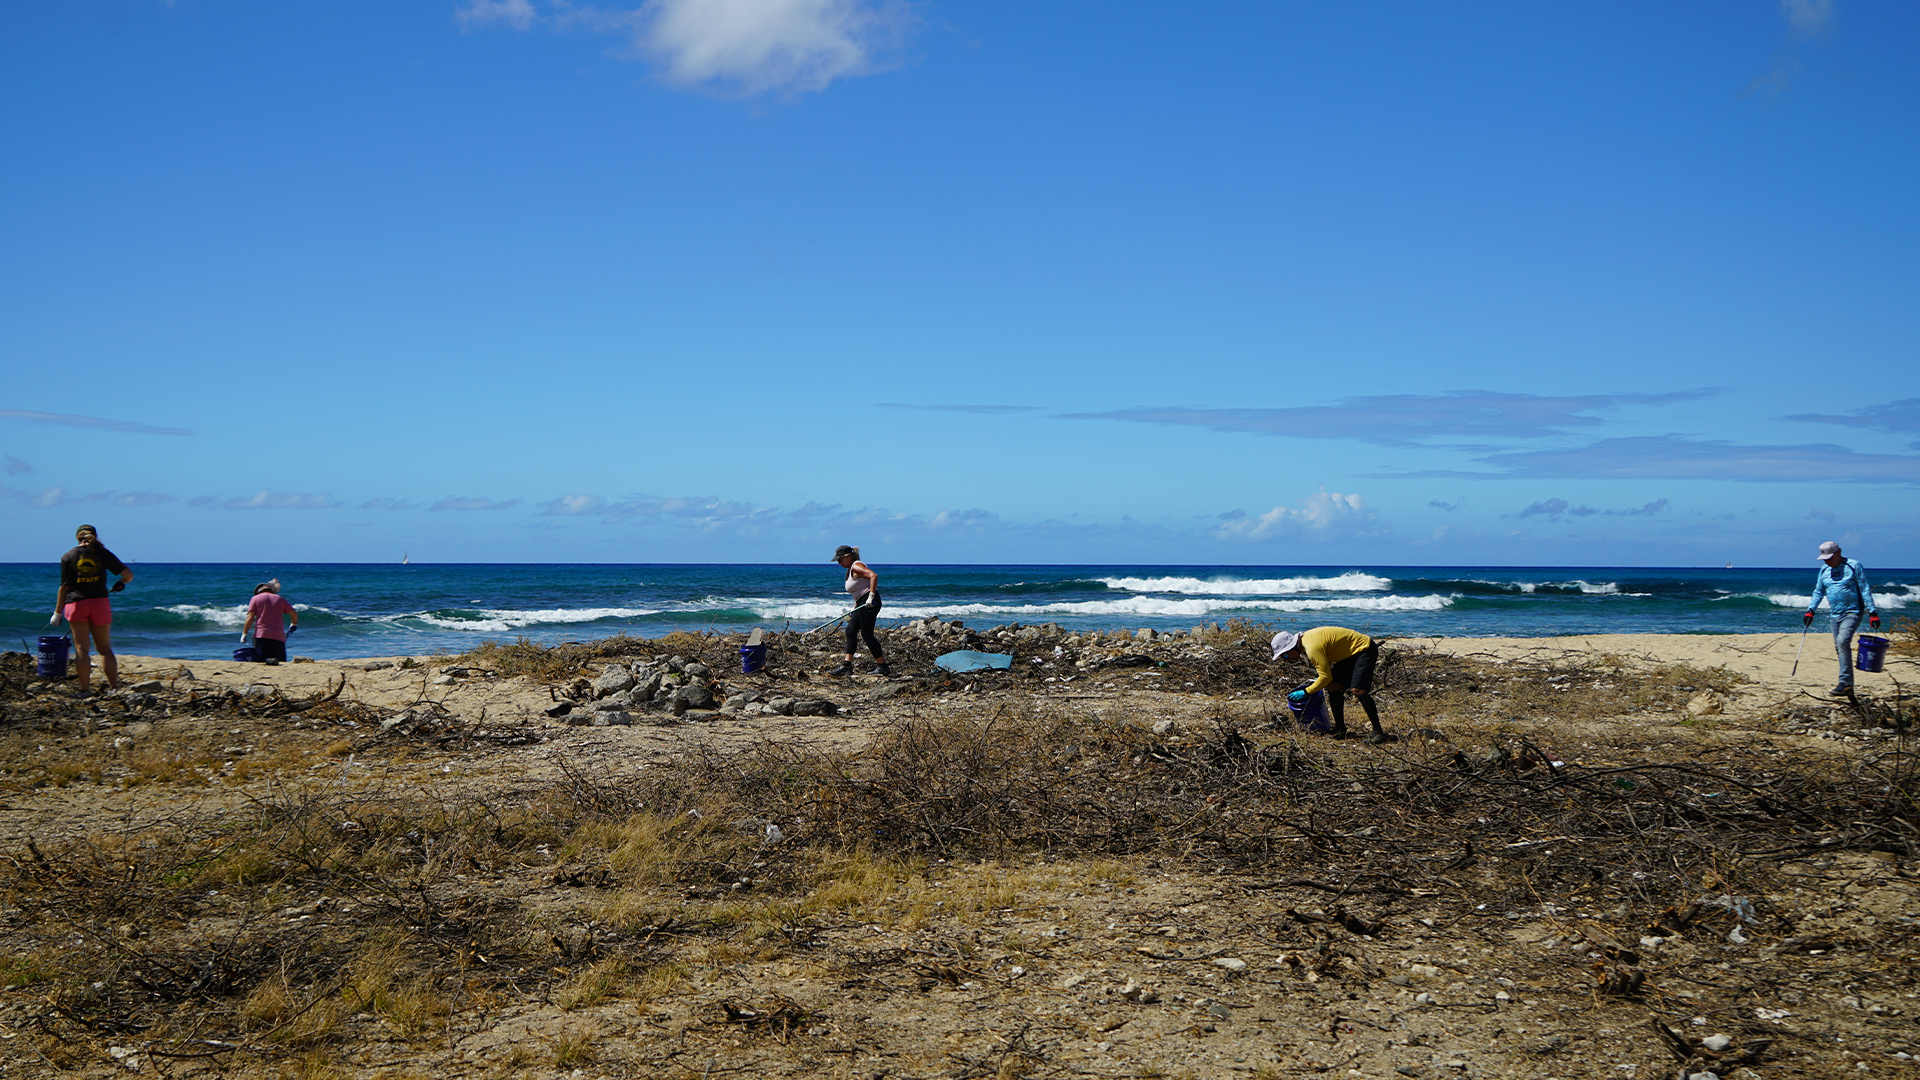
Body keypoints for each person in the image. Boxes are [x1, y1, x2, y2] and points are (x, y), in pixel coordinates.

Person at [1271, 626, 1391, 743]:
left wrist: (1306, 691)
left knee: (1357, 690)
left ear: (1291, 647)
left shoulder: (1311, 648)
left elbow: (1325, 677)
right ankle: (1340, 729)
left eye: (1285, 655)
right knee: (1333, 686)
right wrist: (1318, 678)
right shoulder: (1306, 642)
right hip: (1348, 654)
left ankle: (1378, 732)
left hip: (1364, 649)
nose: (1286, 659)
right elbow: (1327, 658)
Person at [52, 524, 133, 694]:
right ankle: (114, 688)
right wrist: (121, 583)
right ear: (95, 536)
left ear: (77, 537)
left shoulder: (68, 556)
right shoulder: (103, 553)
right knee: (104, 649)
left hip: (76, 605)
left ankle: (84, 690)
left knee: (81, 649)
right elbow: (128, 575)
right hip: (99, 604)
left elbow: (64, 588)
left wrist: (57, 613)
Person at [1805, 540, 1879, 697]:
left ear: (1839, 553)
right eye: (1824, 558)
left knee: (1842, 641)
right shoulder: (1824, 570)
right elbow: (1818, 591)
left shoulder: (1853, 565)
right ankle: (1848, 686)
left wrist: (1873, 612)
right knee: (1840, 647)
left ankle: (1844, 682)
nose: (1827, 561)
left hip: (1853, 611)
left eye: (1830, 558)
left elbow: (1864, 588)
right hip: (1835, 615)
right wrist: (1810, 610)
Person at [830, 544, 890, 676]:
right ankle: (847, 666)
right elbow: (859, 590)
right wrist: (855, 606)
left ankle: (882, 666)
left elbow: (873, 576)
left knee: (866, 634)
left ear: (847, 557)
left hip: (869, 602)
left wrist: (871, 597)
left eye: (840, 559)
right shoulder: (851, 568)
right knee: (850, 630)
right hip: (861, 603)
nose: (838, 563)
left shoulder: (856, 566)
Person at [242, 579, 299, 665]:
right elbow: (293, 613)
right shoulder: (280, 599)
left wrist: (244, 634)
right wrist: (293, 624)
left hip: (261, 635)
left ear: (259, 591)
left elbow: (250, 617)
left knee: (260, 662)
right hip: (278, 636)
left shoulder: (255, 599)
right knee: (280, 662)